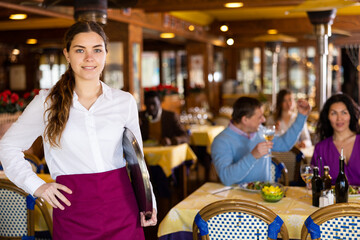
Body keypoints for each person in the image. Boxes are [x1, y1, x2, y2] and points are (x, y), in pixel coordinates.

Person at [0, 21, 157, 239]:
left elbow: (137, 162)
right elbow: (7, 146)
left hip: (123, 207)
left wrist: (149, 202)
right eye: (80, 50)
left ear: (105, 54)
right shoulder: (47, 102)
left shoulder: (124, 101)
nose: (89, 58)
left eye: (97, 50)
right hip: (73, 210)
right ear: (67, 54)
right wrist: (37, 186)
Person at [211, 96, 311, 186]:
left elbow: (284, 144)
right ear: (245, 119)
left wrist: (301, 116)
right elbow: (226, 178)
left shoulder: (261, 131)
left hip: (264, 195)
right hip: (237, 200)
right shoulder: (221, 141)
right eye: (259, 117)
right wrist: (253, 156)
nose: (263, 120)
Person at [311, 93, 360, 186]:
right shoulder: (321, 148)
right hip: (333, 200)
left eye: (344, 113)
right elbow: (315, 181)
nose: (339, 118)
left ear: (351, 115)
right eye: (334, 113)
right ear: (327, 117)